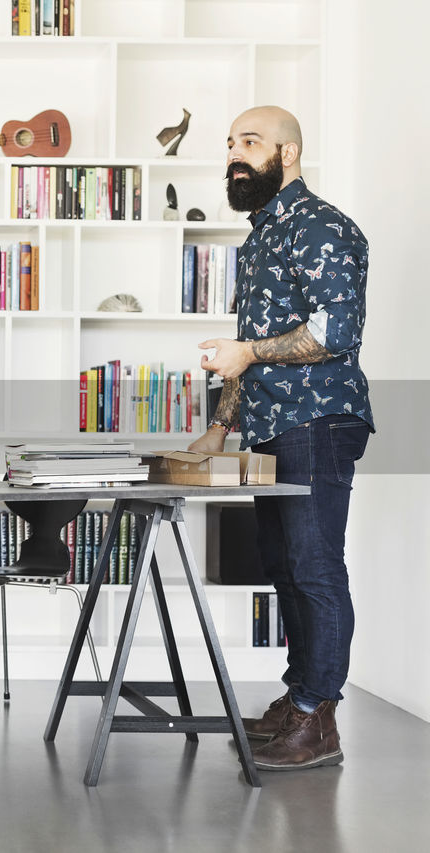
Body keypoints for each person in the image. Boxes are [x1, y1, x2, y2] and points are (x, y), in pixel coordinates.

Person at [189, 106, 373, 771]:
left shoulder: (322, 227)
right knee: (282, 562)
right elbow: (250, 349)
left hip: (319, 419)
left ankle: (319, 716)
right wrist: (218, 428)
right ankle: (300, 699)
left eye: (251, 142)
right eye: (231, 142)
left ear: (288, 153)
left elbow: (332, 333)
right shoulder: (260, 235)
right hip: (270, 425)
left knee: (315, 563)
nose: (235, 154)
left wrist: (248, 353)